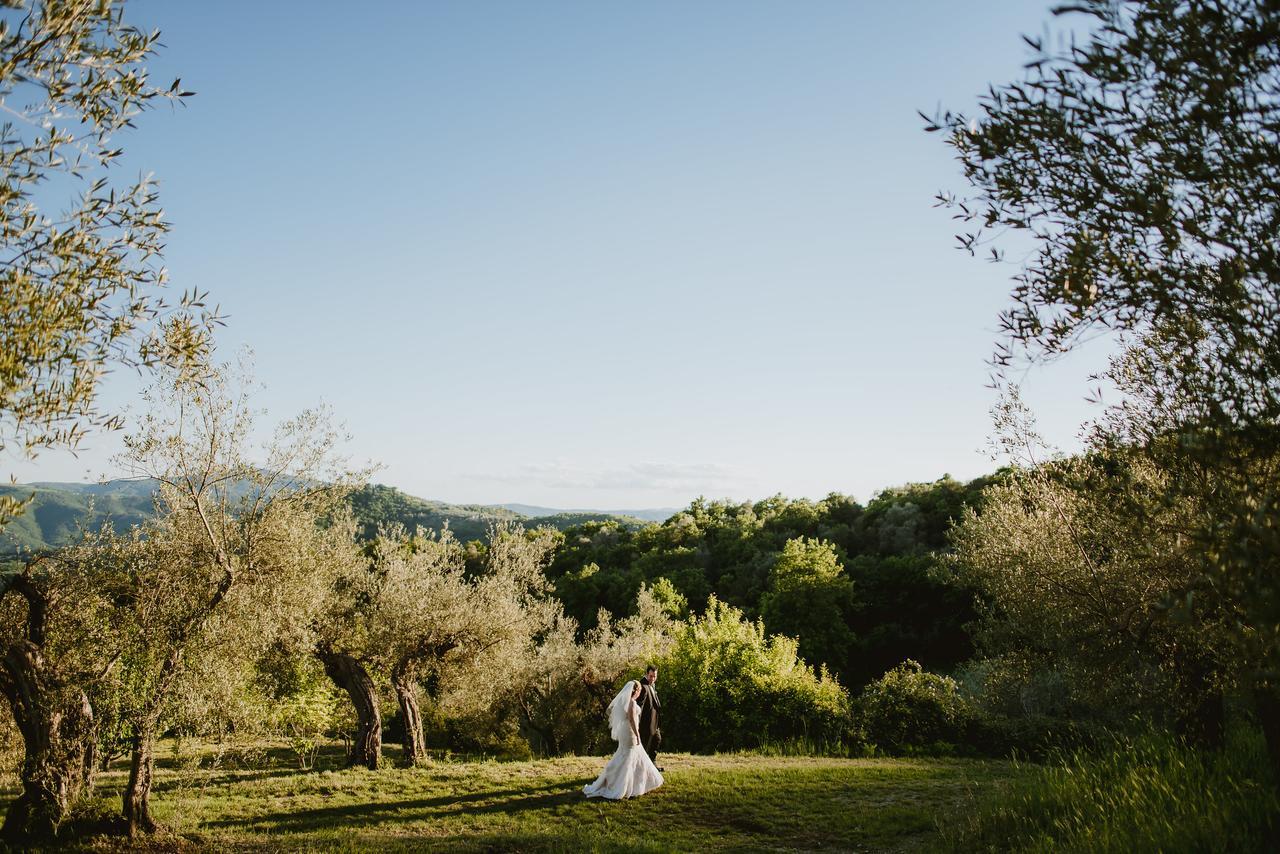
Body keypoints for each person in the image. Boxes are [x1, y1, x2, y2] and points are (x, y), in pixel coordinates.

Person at [582, 679, 664, 799]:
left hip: (625, 731)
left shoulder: (626, 701)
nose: (640, 692)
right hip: (630, 731)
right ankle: (626, 784)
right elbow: (632, 720)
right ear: (635, 690)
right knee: (630, 756)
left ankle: (620, 778)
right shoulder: (631, 702)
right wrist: (637, 735)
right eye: (639, 690)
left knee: (625, 755)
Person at [637, 664, 662, 771]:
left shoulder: (652, 684)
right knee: (644, 747)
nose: (653, 679)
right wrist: (637, 724)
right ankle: (643, 768)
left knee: (657, 740)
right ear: (647, 674)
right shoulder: (642, 686)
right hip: (645, 723)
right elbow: (639, 707)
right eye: (651, 676)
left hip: (654, 721)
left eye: (654, 676)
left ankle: (652, 763)